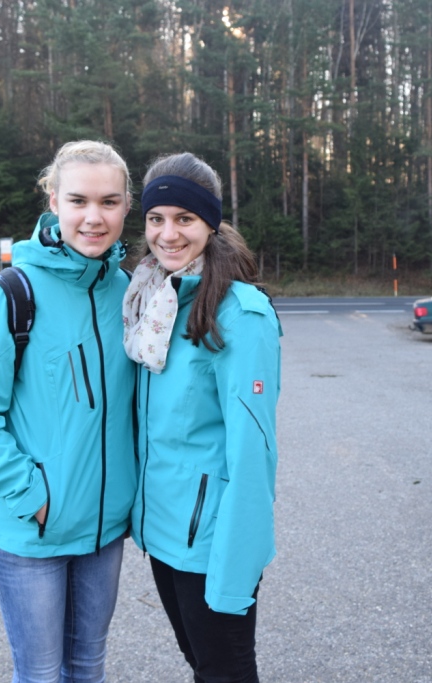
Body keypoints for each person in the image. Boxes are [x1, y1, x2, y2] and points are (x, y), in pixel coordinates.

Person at [0, 140, 136, 682]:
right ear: (53, 201)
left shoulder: (127, 291)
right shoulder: (12, 294)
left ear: (126, 207)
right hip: (33, 533)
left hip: (104, 532)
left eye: (109, 202)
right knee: (41, 674)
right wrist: (30, 495)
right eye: (78, 200)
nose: (94, 217)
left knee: (88, 668)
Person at [122, 153, 281, 683]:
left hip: (210, 540)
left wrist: (236, 572)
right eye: (156, 218)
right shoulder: (150, 298)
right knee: (201, 664)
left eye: (184, 219)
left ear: (210, 222)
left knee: (225, 672)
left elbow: (253, 455)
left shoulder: (241, 314)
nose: (167, 234)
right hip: (164, 530)